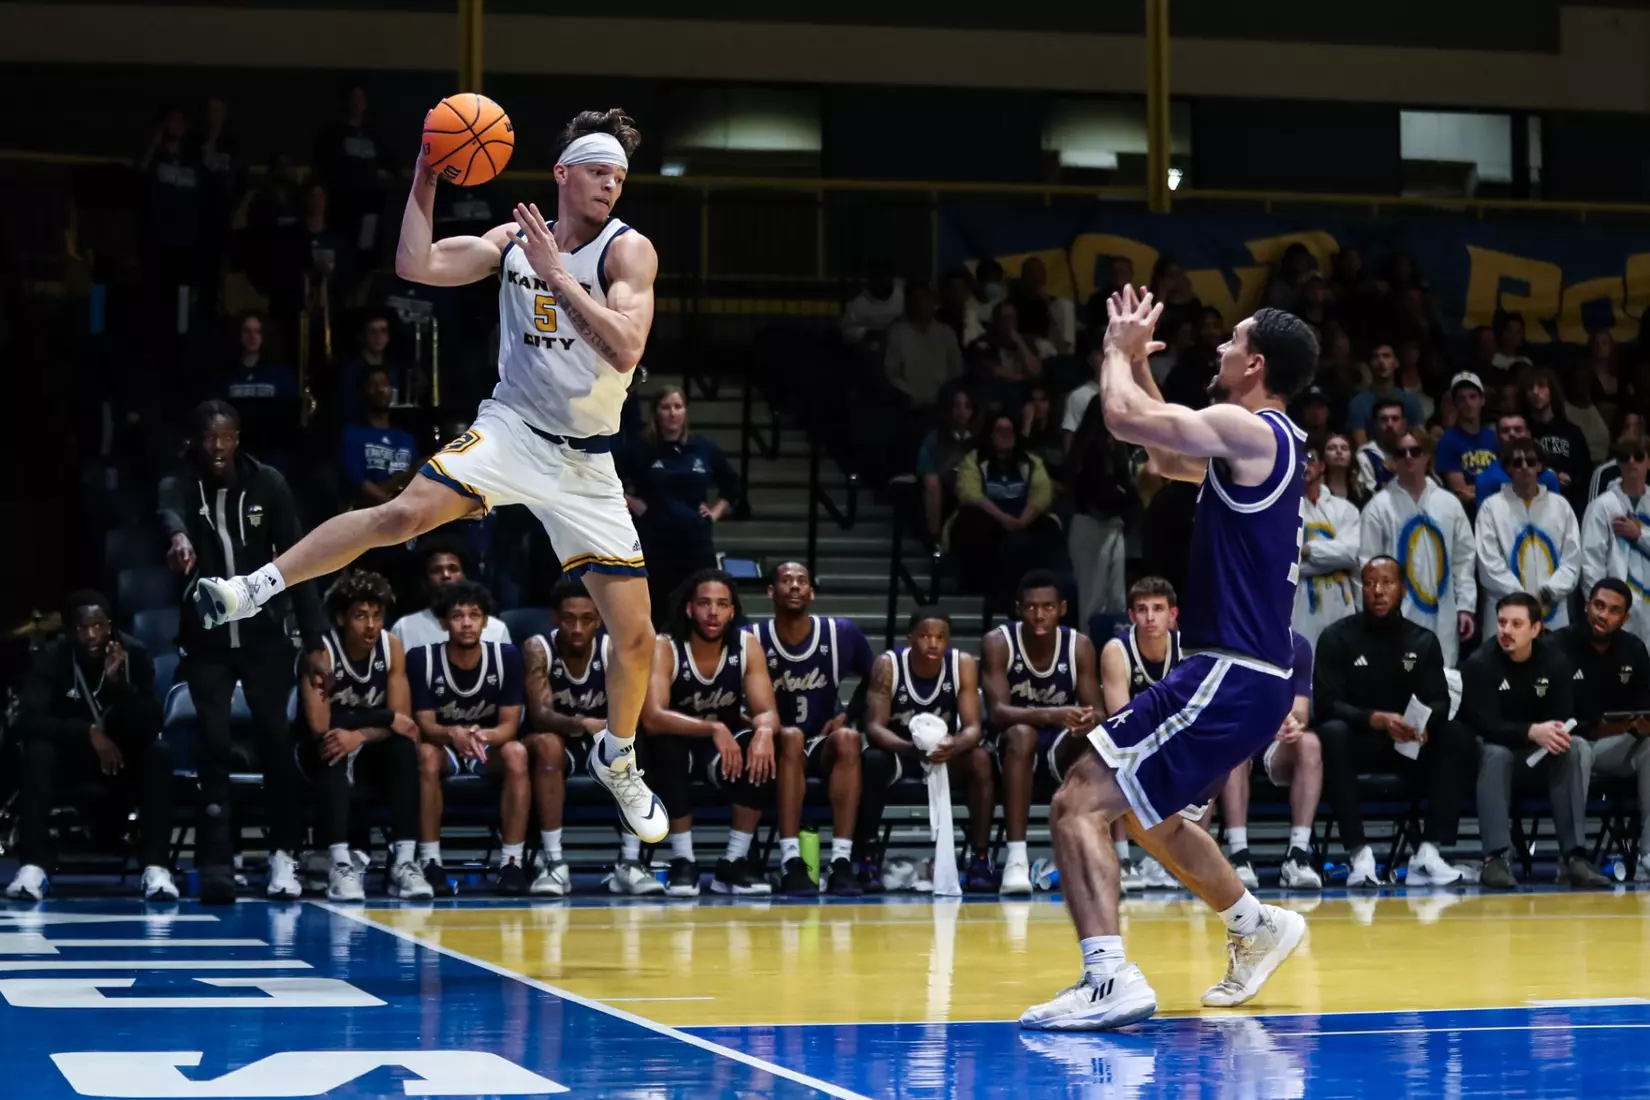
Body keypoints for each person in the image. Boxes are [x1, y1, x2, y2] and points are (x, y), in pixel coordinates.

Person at [192, 107, 669, 851]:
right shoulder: (513, 240)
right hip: (512, 429)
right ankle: (250, 588)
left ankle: (619, 756)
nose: (612, 183)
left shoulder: (627, 252)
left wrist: (557, 277)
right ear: (564, 174)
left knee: (635, 639)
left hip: (587, 461)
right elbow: (417, 264)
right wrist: (425, 168)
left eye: (620, 175)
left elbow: (625, 348)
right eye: (599, 170)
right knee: (401, 515)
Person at [1021, 291, 1318, 1032]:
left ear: (1255, 365)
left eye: (1231, 341)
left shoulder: (1250, 429)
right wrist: (1141, 378)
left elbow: (1123, 421)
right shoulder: (1264, 445)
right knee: (1145, 816)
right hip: (1250, 677)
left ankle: (1107, 978)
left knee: (1078, 798)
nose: (1216, 348)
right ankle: (1254, 923)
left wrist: (1117, 352)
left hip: (1229, 668)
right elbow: (1161, 452)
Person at [158, 400, 326, 904]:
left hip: (263, 637)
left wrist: (315, 640)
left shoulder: (268, 483)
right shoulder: (183, 482)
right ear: (197, 440)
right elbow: (169, 509)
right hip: (208, 641)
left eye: (226, 437)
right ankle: (215, 862)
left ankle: (283, 857)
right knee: (211, 746)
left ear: (237, 438)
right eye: (209, 438)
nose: (217, 447)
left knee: (277, 743)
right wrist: (179, 537)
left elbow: (299, 559)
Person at [5, 592, 176, 903]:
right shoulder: (53, 657)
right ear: (71, 629)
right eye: (83, 627)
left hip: (122, 760)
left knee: (158, 755)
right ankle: (33, 868)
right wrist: (88, 733)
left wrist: (119, 686)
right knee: (37, 754)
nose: (92, 634)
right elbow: (26, 722)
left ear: (110, 624)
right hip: (69, 761)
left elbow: (151, 723)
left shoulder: (134, 654)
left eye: (99, 625)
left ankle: (156, 868)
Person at [1315, 557, 1472, 888]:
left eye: (1387, 583)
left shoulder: (1423, 640)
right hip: (1358, 744)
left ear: (1402, 589)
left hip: (1409, 745)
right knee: (1331, 732)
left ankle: (1429, 853)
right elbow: (1327, 705)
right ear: (1362, 590)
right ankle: (1359, 855)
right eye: (1370, 584)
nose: (1378, 591)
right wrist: (1374, 719)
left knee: (1457, 734)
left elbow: (1441, 699)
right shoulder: (1336, 637)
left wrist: (1427, 723)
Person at [640, 569, 781, 898]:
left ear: (732, 611)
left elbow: (768, 712)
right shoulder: (665, 646)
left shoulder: (746, 645)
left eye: (722, 604)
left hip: (723, 752)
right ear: (690, 609)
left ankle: (732, 862)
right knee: (665, 746)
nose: (713, 612)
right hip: (677, 746)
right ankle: (683, 861)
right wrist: (713, 726)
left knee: (767, 747)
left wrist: (762, 732)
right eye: (704, 603)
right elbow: (653, 717)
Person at [749, 562, 881, 897]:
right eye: (786, 580)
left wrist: (849, 713)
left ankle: (840, 862)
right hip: (778, 743)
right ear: (770, 591)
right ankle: (792, 861)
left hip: (822, 742)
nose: (794, 586)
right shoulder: (753, 639)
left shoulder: (842, 633)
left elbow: (878, 676)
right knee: (791, 737)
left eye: (802, 581)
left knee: (850, 739)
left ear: (811, 592)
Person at [299, 571, 431, 902]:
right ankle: (340, 863)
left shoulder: (392, 646)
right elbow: (319, 724)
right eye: (361, 616)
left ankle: (404, 861)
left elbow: (401, 720)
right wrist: (380, 719)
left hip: (367, 745)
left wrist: (359, 732)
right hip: (313, 751)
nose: (371, 625)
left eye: (376, 615)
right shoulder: (321, 653)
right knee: (331, 746)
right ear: (342, 618)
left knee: (402, 748)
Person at [1461, 592, 1604, 889]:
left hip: (1540, 758)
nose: (1506, 631)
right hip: (1495, 761)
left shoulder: (1554, 661)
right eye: (1501, 623)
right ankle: (1496, 859)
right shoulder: (1479, 663)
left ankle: (1574, 858)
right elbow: (1485, 725)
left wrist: (1548, 733)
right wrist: (1531, 731)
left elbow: (1563, 716)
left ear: (1535, 629)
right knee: (1495, 753)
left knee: (1575, 746)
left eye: (1516, 624)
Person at [982, 571, 1102, 896]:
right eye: (1032, 607)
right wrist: (1055, 713)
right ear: (1019, 608)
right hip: (1010, 747)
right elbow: (997, 713)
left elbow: (1099, 712)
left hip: (1060, 743)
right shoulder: (998, 642)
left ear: (1062, 608)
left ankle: (1089, 855)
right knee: (1022, 734)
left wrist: (1085, 721)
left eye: (1048, 606)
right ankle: (1017, 860)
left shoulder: (1080, 646)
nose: (1039, 614)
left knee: (1098, 741)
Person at [408, 581, 530, 895]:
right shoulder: (422, 658)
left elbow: (509, 725)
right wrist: (452, 733)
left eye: (474, 615)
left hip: (487, 748)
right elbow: (424, 724)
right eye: (457, 615)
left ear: (486, 621)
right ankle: (430, 862)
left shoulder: (507, 657)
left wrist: (481, 735)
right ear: (443, 622)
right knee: (425, 754)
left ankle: (511, 863)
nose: (466, 622)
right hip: (444, 747)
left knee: (517, 752)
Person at [865, 612, 996, 892]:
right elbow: (874, 728)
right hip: (901, 753)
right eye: (925, 636)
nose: (933, 643)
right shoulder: (888, 665)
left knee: (980, 759)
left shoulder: (962, 664)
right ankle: (866, 856)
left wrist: (955, 745)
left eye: (940, 637)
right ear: (910, 637)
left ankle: (980, 858)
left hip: (944, 756)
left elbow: (973, 728)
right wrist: (911, 750)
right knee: (872, 761)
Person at [521, 577, 623, 896]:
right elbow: (540, 716)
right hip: (552, 745)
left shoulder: (611, 650)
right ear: (555, 619)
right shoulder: (538, 648)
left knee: (633, 742)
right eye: (569, 619)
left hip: (600, 744)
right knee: (549, 745)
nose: (577, 628)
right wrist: (586, 723)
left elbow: (632, 710)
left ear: (600, 620)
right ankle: (553, 861)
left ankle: (632, 863)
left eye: (587, 619)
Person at [1198, 631, 1322, 891]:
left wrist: (1291, 724)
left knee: (1310, 743)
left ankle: (1297, 856)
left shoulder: (1298, 645)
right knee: (1232, 748)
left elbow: (1300, 711)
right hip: (1238, 734)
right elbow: (1219, 708)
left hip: (1275, 742)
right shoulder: (1229, 641)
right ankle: (1239, 855)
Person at [1551, 579, 1650, 882]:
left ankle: (1648, 854)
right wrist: (1597, 728)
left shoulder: (1633, 648)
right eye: (1599, 605)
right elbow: (1550, 714)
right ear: (1587, 605)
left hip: (1613, 747)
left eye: (1614, 610)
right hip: (1565, 746)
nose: (1603, 615)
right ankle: (1573, 856)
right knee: (1577, 746)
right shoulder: (1556, 645)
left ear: (1625, 618)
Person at [622, 385, 743, 620]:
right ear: (655, 412)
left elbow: (733, 485)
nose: (672, 413)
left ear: (685, 412)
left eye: (678, 407)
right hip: (655, 542)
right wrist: (632, 502)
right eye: (665, 407)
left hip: (695, 543)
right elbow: (606, 479)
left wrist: (716, 511)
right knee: (655, 612)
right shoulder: (640, 448)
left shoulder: (703, 447)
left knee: (700, 608)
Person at [1359, 429, 1477, 667]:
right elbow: (1367, 565)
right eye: (1401, 453)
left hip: (1443, 614)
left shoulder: (1448, 503)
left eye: (1416, 451)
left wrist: (1466, 605)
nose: (1409, 457)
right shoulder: (1378, 507)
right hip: (1395, 618)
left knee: (1443, 684)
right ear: (1393, 460)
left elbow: (1464, 560)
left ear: (1427, 457)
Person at [1097, 577, 1184, 892]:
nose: (1150, 618)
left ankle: (1177, 858)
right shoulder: (1116, 650)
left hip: (1174, 738)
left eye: (1158, 609)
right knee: (1118, 759)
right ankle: (1123, 859)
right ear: (1131, 616)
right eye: (1142, 610)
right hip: (1132, 739)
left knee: (1210, 757)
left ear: (1172, 614)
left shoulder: (1187, 649)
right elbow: (1121, 718)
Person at [946, 413, 1060, 610]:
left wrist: (1022, 521)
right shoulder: (974, 460)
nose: (1006, 435)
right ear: (991, 434)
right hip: (990, 519)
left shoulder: (1031, 461)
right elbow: (969, 492)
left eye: (1009, 431)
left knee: (1049, 527)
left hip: (1022, 519)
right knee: (970, 521)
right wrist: (1002, 518)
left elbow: (1042, 492)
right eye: (1000, 430)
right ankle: (979, 588)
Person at [1475, 437, 1581, 634]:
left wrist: (1547, 594)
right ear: (1507, 468)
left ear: (1540, 466)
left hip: (1553, 611)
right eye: (1517, 463)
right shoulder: (1491, 508)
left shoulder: (1561, 506)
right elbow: (1489, 564)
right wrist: (1522, 600)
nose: (1524, 467)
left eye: (1531, 462)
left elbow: (1572, 560)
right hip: (1506, 610)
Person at [1065, 399, 1140, 625]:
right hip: (1090, 525)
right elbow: (1101, 494)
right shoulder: (1088, 449)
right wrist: (1124, 497)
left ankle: (1112, 656)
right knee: (1092, 601)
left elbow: (1126, 491)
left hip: (1113, 526)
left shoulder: (1115, 446)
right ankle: (1089, 658)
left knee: (1116, 601)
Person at [1579, 435, 1650, 648]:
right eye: (1624, 457)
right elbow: (1590, 562)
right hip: (1617, 607)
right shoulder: (1601, 506)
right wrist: (1600, 610)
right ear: (1617, 463)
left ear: (1648, 461)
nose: (1631, 463)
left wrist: (1640, 536)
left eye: (1638, 457)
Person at [1294, 435, 1361, 651]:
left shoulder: (1344, 509)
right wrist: (1333, 558)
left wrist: (1307, 550)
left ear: (1322, 465)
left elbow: (1350, 554)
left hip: (1340, 602)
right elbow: (1286, 563)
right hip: (1299, 606)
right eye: (1299, 459)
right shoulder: (1280, 511)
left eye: (1311, 459)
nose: (1305, 465)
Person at [389, 539, 511, 648]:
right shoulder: (403, 628)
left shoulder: (496, 629)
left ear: (465, 576)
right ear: (424, 581)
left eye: (453, 569)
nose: (446, 576)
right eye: (436, 571)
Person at [340, 366, 420, 509]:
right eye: (373, 385)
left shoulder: (407, 439)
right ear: (363, 393)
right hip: (369, 514)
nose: (380, 389)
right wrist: (392, 506)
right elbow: (359, 483)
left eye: (384, 384)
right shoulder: (353, 434)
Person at [1523, 366, 1594, 512]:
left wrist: (1571, 479)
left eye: (1541, 386)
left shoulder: (1571, 432)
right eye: (1531, 388)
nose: (1536, 392)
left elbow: (1586, 472)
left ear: (1552, 390)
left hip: (1566, 503)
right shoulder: (1521, 430)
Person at [1434, 372, 1497, 511]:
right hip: (1467, 512)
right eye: (1462, 399)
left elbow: (1508, 483)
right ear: (1455, 404)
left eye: (1473, 397)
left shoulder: (1494, 436)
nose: (1468, 403)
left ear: (1482, 400)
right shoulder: (1448, 440)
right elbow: (1461, 491)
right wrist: (1494, 487)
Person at [1474, 412, 1563, 505]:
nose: (1512, 434)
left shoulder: (1548, 477)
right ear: (1497, 437)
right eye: (1505, 430)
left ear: (1528, 434)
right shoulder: (1485, 479)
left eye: (1518, 429)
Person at [1347, 343, 1423, 446]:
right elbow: (1361, 445)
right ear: (1369, 363)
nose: (1381, 361)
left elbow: (1419, 438)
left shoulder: (1411, 400)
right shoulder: (1358, 403)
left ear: (1396, 362)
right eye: (1376, 357)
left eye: (1386, 356)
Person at [1354, 397, 1407, 498]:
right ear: (1375, 424)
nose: (1390, 424)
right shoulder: (1366, 456)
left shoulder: (1414, 452)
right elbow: (1370, 497)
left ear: (1404, 423)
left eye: (1395, 419)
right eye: (1384, 419)